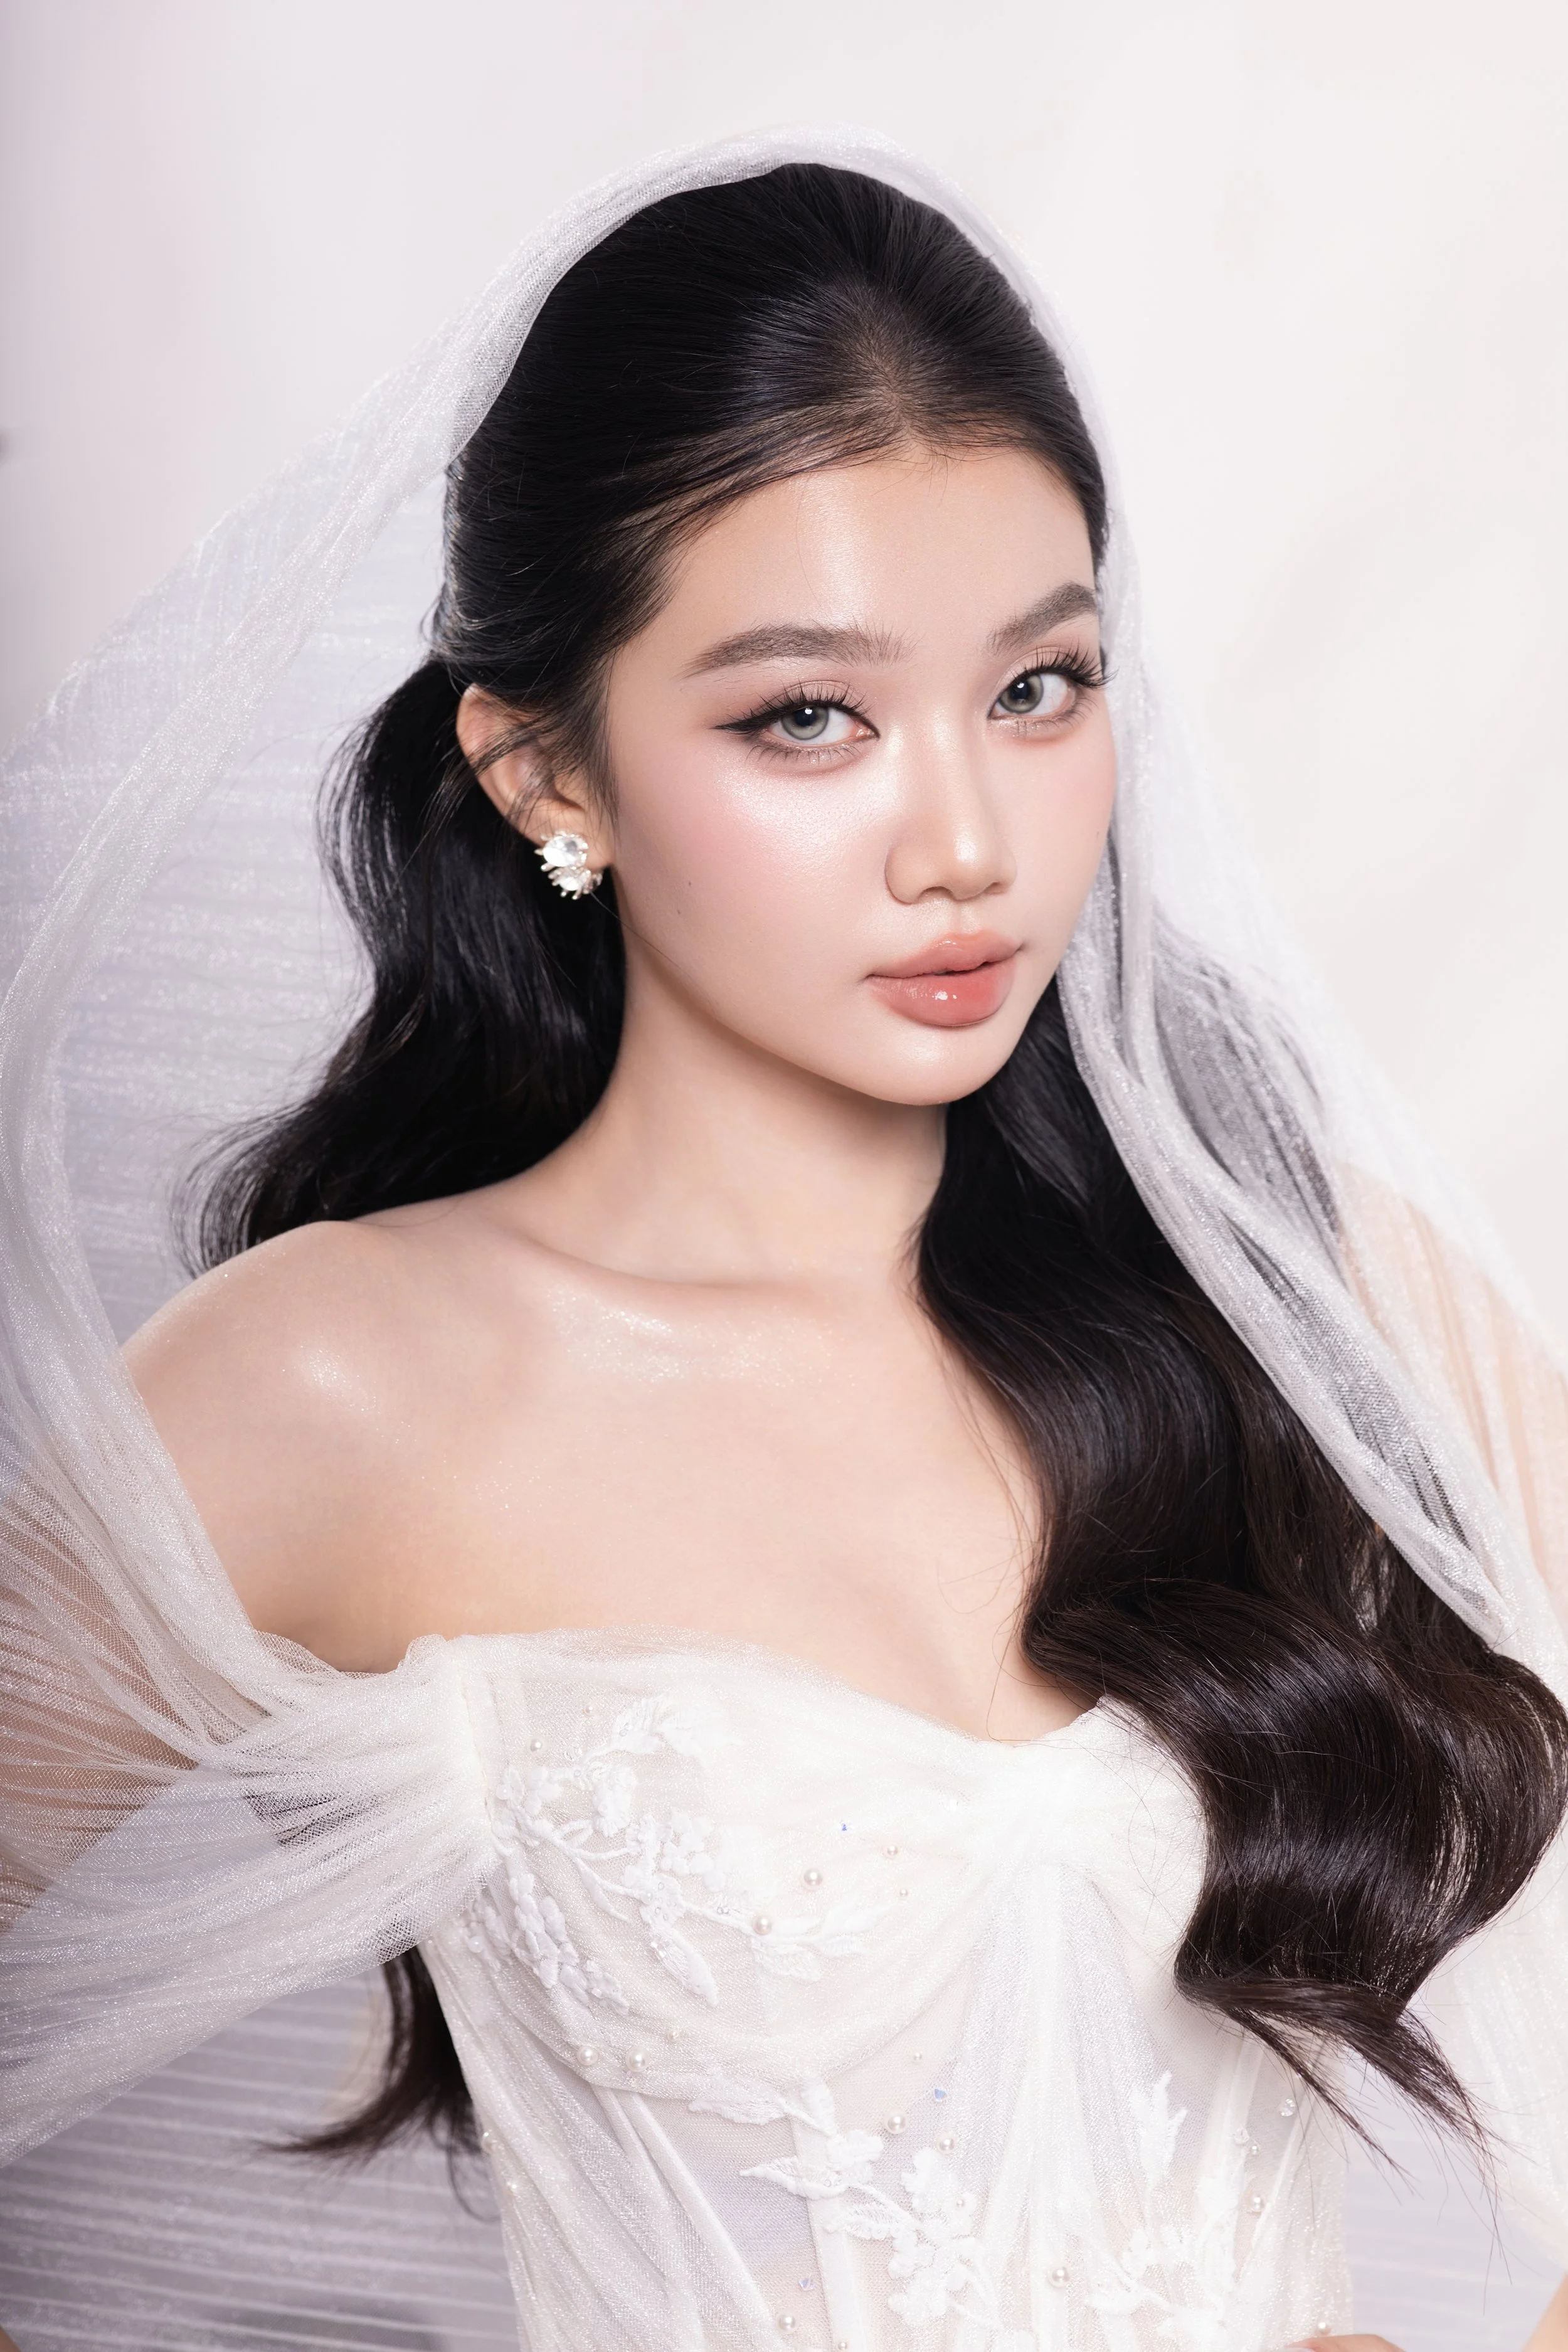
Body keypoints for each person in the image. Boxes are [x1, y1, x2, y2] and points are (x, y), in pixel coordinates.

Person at [4, 133, 1568, 2352]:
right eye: (804, 716)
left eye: (1036, 688)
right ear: (547, 771)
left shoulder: (1290, 1293)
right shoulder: (343, 1380)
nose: (963, 841)